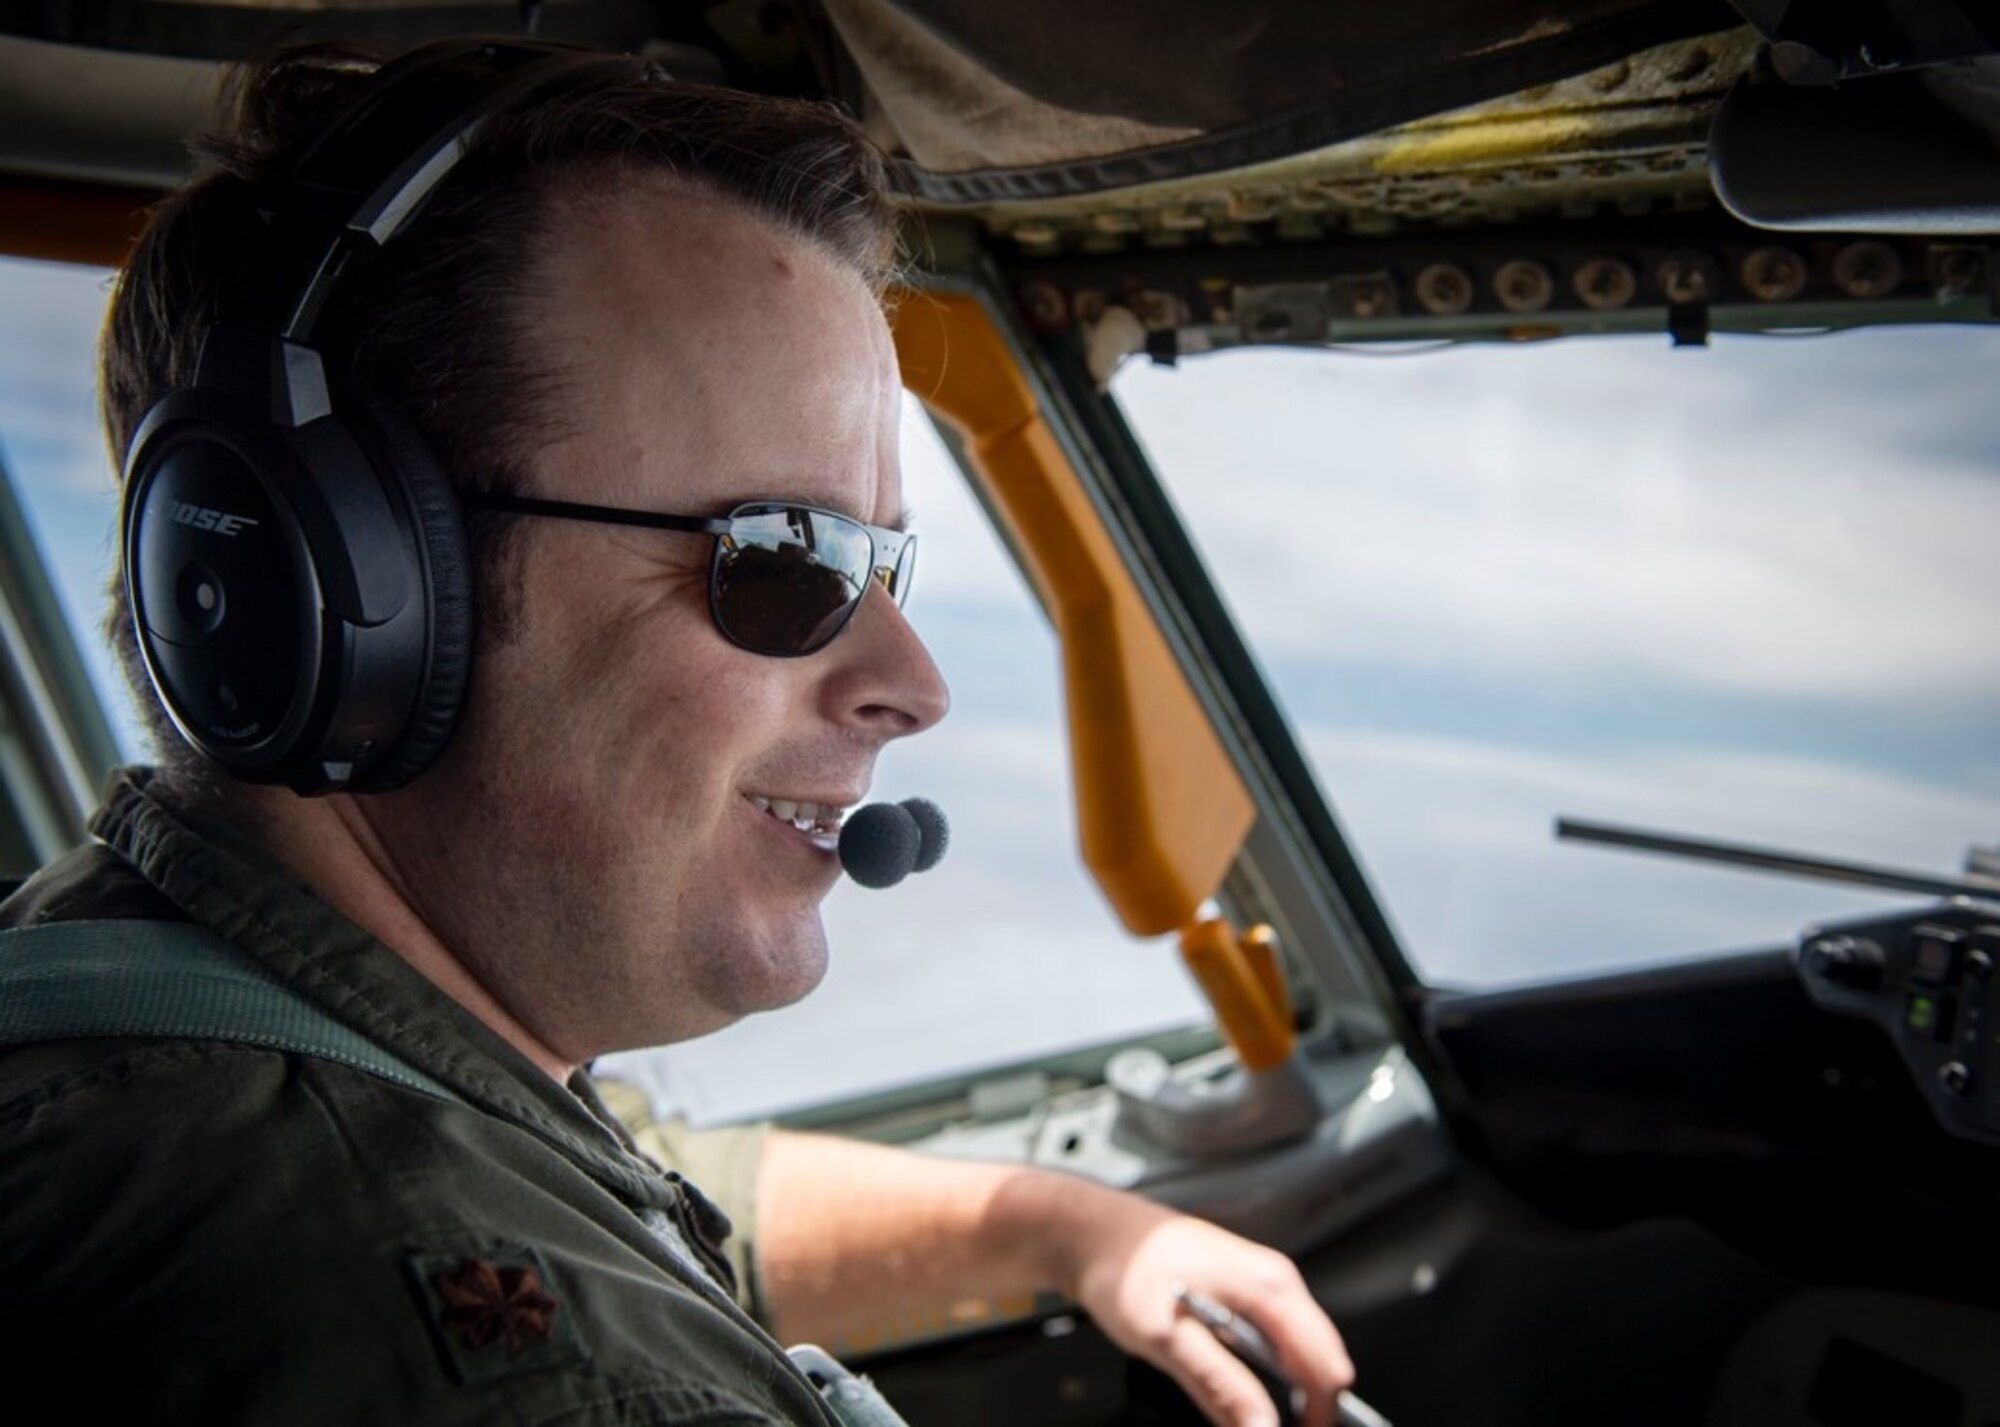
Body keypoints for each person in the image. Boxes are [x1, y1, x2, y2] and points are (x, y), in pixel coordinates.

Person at [0, 37, 1354, 1427]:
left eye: (883, 567)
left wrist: (1068, 1228)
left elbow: (623, 1183)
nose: (914, 681)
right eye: (785, 558)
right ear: (349, 585)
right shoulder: (539, 1383)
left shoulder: (143, 988)